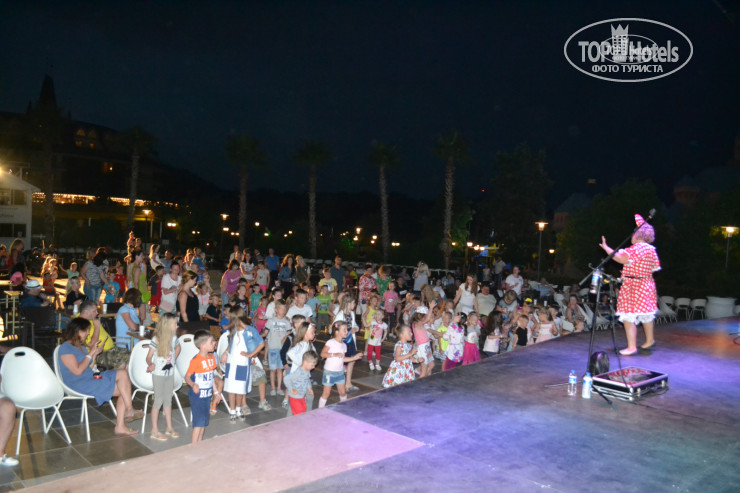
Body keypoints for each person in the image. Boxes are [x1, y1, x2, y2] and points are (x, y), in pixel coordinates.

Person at [58, 318, 142, 436]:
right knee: (124, 389)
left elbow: (89, 366)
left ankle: (127, 413)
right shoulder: (65, 348)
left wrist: (95, 353)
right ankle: (124, 418)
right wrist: (90, 353)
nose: (88, 333)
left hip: (90, 377)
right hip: (78, 383)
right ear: (77, 331)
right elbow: (77, 371)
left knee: (123, 376)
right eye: (86, 330)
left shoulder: (80, 347)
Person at [599, 214, 661, 355]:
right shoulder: (651, 250)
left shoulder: (636, 249)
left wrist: (606, 248)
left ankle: (632, 347)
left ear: (638, 234)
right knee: (646, 314)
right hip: (647, 284)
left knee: (628, 316)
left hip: (634, 285)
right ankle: (650, 340)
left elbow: (620, 258)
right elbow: (652, 269)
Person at [221, 313, 264, 420]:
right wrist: (225, 353)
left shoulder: (250, 330)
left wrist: (250, 354)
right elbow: (231, 344)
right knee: (231, 388)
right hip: (231, 362)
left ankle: (238, 410)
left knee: (240, 388)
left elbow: (261, 343)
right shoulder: (234, 330)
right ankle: (232, 411)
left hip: (242, 363)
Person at [145, 313, 181, 441]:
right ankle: (154, 430)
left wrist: (173, 359)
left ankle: (169, 427)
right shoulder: (156, 339)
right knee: (158, 400)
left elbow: (178, 347)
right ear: (168, 325)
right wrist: (151, 364)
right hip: (158, 374)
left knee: (168, 400)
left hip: (169, 373)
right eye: (175, 324)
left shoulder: (174, 338)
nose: (177, 326)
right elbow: (148, 357)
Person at [185, 330, 220, 444]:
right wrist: (193, 384)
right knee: (198, 422)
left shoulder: (211, 358)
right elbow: (187, 377)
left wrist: (216, 393)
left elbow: (211, 378)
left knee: (204, 421)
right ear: (203, 345)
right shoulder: (196, 360)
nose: (214, 343)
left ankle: (200, 443)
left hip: (207, 395)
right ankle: (194, 446)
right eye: (212, 341)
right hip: (197, 396)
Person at [319, 321, 363, 407]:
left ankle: (344, 407)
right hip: (329, 372)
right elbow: (322, 354)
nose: (347, 332)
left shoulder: (344, 345)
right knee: (326, 393)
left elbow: (343, 359)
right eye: (344, 330)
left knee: (343, 392)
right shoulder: (331, 342)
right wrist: (334, 354)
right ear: (337, 332)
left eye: (347, 330)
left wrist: (354, 358)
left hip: (340, 372)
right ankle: (320, 410)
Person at [332, 295, 360, 391]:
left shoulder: (351, 313)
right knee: (341, 361)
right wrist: (345, 332)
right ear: (348, 303)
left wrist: (356, 328)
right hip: (342, 341)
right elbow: (335, 327)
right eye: (353, 303)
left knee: (352, 360)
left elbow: (354, 324)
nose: (354, 305)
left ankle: (348, 383)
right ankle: (341, 383)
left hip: (350, 340)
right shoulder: (340, 315)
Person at [265, 300, 291, 396]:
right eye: (281, 309)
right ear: (276, 309)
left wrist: (286, 338)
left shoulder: (287, 322)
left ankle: (279, 387)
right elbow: (266, 333)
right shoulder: (271, 321)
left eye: (285, 309)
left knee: (280, 369)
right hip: (272, 347)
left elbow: (289, 335)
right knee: (273, 369)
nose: (283, 311)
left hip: (282, 349)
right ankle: (273, 387)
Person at [283, 351, 318, 416]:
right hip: (295, 396)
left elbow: (307, 380)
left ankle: (288, 421)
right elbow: (286, 379)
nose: (313, 367)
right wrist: (291, 389)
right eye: (312, 365)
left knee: (294, 410)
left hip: (301, 396)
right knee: (300, 413)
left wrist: (309, 388)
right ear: (305, 362)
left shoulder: (306, 371)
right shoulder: (299, 372)